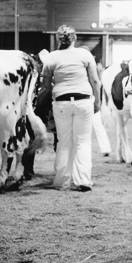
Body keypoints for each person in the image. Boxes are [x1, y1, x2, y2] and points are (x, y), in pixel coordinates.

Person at [39, 25, 101, 192]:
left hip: (61, 102)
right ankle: (83, 181)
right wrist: (98, 102)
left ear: (59, 39)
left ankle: (62, 182)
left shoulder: (52, 57)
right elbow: (96, 81)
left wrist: (59, 86)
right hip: (83, 101)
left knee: (64, 142)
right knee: (83, 142)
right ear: (74, 38)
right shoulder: (85, 54)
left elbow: (45, 84)